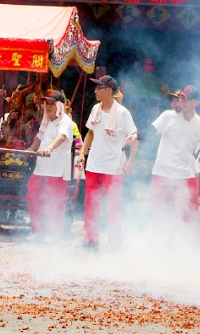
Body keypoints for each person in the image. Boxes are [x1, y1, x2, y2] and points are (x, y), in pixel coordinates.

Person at [76, 75, 139, 250]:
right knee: (91, 205)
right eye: (96, 87)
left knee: (113, 206)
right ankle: (91, 240)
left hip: (113, 167)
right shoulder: (96, 108)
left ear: (109, 90)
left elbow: (135, 135)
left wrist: (131, 159)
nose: (95, 91)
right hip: (94, 165)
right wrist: (82, 153)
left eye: (99, 87)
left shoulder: (122, 112)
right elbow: (90, 133)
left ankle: (115, 242)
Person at [149, 85, 200, 242]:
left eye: (185, 99)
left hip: (185, 173)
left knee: (190, 212)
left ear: (195, 102)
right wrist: (133, 135)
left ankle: (193, 246)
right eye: (180, 98)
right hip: (163, 171)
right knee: (162, 212)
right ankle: (163, 245)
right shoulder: (168, 116)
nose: (181, 102)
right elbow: (150, 131)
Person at [26, 90, 74, 242]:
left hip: (57, 170)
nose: (48, 107)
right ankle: (38, 231)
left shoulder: (65, 121)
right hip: (41, 168)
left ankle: (54, 234)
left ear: (60, 105)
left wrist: (50, 148)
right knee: (33, 195)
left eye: (52, 103)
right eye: (47, 103)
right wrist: (30, 149)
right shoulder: (46, 122)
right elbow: (38, 138)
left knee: (55, 201)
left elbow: (61, 136)